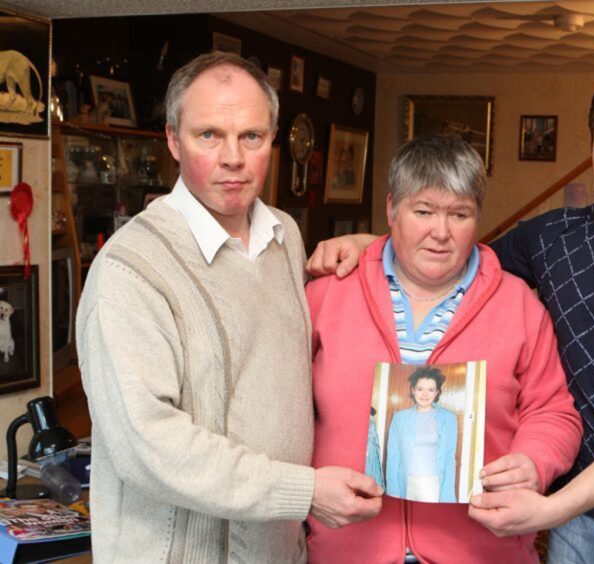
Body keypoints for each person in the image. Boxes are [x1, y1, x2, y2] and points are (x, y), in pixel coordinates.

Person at [307, 71, 594, 563]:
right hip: (576, 526)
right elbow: (453, 258)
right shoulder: (555, 237)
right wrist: (368, 246)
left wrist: (551, 506)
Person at [76, 52, 381, 563]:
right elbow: (148, 445)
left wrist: (374, 248)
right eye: (209, 135)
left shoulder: (285, 237)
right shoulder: (128, 269)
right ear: (173, 140)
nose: (233, 157)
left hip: (278, 549)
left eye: (252, 137)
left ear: (273, 139)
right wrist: (303, 491)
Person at [305, 134, 582, 563]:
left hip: (479, 548)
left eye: (459, 214)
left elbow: (553, 410)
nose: (441, 232)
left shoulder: (519, 304)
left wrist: (534, 460)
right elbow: (280, 412)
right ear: (391, 209)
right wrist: (306, 489)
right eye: (424, 211)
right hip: (350, 547)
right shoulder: (328, 295)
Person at [385, 367, 459, 503]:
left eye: (431, 390)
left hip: (434, 483)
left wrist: (447, 494)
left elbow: (449, 458)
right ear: (413, 390)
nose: (425, 394)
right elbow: (393, 456)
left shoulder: (449, 418)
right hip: (406, 482)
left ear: (437, 392)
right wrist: (393, 490)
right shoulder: (399, 418)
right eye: (420, 389)